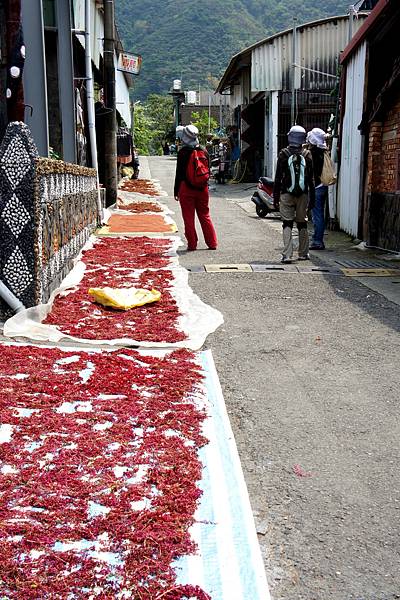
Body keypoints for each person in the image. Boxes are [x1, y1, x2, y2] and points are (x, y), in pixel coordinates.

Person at [273, 125, 315, 263]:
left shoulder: (283, 154)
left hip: (286, 193)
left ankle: (287, 254)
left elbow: (278, 178)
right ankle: (303, 253)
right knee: (302, 223)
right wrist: (312, 198)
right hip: (303, 195)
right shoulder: (307, 155)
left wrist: (276, 197)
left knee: (287, 223)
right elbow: (311, 179)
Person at [174, 124, 218, 251]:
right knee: (205, 215)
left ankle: (192, 244)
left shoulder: (183, 153)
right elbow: (207, 170)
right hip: (202, 188)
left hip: (186, 189)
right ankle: (212, 243)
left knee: (188, 218)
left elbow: (179, 174)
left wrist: (176, 191)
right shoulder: (204, 150)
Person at [307, 127, 328, 250]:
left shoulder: (313, 154)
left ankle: (317, 241)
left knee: (317, 215)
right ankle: (317, 238)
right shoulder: (324, 151)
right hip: (323, 186)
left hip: (316, 187)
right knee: (319, 214)